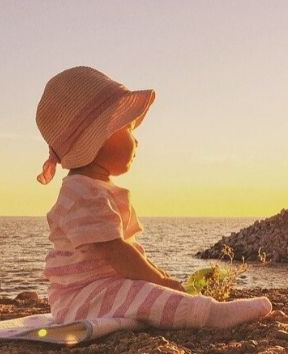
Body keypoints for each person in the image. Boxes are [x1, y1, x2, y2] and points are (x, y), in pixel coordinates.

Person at [35, 66, 272, 328]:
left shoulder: (91, 188)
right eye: (128, 128)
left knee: (142, 292)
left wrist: (159, 279)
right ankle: (211, 315)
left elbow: (123, 259)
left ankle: (195, 307)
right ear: (98, 137)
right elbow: (117, 252)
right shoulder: (82, 193)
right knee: (144, 295)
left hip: (100, 292)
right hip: (81, 300)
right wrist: (161, 281)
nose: (137, 141)